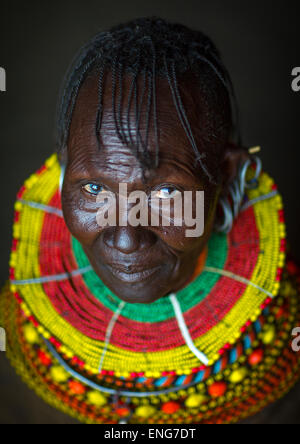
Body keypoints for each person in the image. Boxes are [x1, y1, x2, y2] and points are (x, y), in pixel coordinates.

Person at [1, 16, 300, 424]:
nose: (126, 239)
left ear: (227, 180)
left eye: (166, 193)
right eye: (93, 189)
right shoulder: (16, 340)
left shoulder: (287, 349)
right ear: (63, 170)